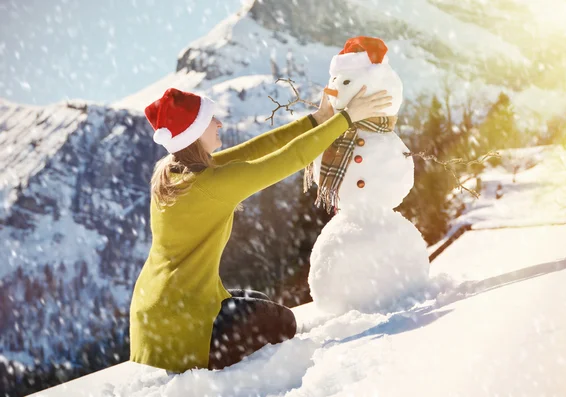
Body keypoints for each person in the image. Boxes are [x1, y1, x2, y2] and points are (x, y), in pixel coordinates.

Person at [129, 85, 392, 373]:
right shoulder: (211, 184)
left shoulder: (174, 174)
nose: (219, 124)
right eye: (210, 121)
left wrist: (316, 119)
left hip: (162, 312)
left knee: (259, 303)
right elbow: (289, 159)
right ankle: (217, 370)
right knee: (284, 323)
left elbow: (256, 149)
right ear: (193, 134)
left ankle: (193, 350)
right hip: (184, 322)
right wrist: (346, 118)